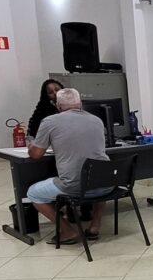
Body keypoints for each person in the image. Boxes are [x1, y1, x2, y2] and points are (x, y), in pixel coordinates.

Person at [27, 88, 112, 244]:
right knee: (98, 176)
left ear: (58, 106)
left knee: (33, 193)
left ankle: (67, 231)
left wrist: (32, 144)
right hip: (107, 183)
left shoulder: (50, 121)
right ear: (80, 104)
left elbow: (36, 154)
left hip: (76, 186)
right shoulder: (97, 120)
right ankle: (95, 226)